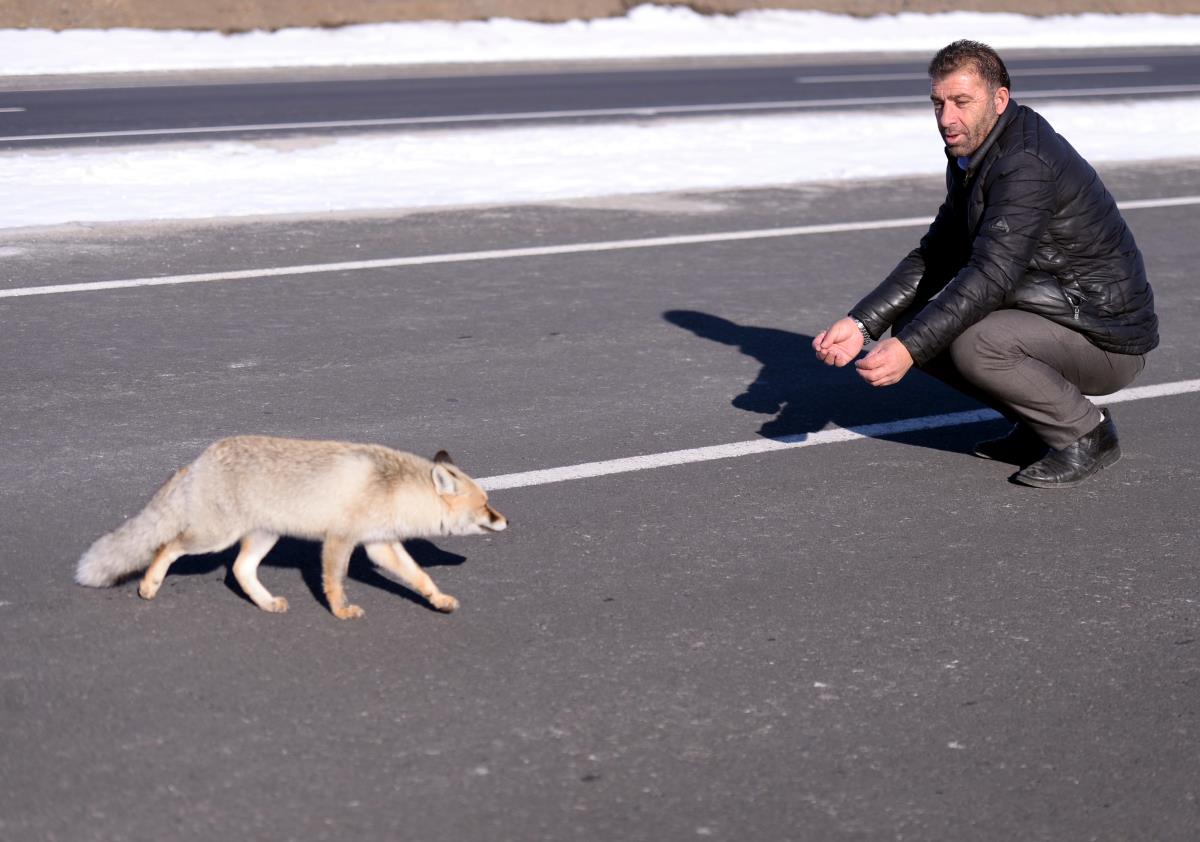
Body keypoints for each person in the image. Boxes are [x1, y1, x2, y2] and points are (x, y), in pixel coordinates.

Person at [813, 40, 1158, 488]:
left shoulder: (1024, 164)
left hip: (1104, 334)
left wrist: (910, 350)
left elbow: (991, 275)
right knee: (918, 324)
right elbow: (937, 253)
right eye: (938, 102)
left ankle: (1086, 433)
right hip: (1051, 309)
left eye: (961, 102)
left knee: (976, 344)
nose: (946, 118)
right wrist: (862, 323)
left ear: (999, 100)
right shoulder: (975, 152)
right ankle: (1040, 425)